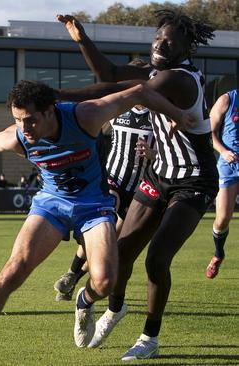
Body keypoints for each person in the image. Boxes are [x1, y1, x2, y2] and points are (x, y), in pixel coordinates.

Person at [0, 79, 191, 366]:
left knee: (104, 282)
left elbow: (139, 91)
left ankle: (84, 301)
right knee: (12, 271)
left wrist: (179, 115)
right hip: (51, 204)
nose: (24, 128)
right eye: (17, 120)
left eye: (30, 120)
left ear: (51, 110)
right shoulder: (19, 136)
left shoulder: (86, 116)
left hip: (94, 206)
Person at [58, 10, 217, 360]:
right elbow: (109, 73)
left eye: (171, 42)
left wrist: (56, 96)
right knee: (121, 252)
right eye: (158, 38)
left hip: (193, 180)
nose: (162, 45)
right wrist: (82, 39)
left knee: (157, 258)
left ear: (186, 49)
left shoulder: (180, 78)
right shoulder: (155, 71)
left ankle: (150, 338)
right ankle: (110, 308)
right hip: (158, 175)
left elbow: (122, 91)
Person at [53, 102, 156, 301]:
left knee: (109, 245)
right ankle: (71, 274)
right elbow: (92, 130)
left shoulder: (157, 117)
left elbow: (169, 153)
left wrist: (152, 154)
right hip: (112, 180)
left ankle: (74, 275)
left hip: (138, 190)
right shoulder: (118, 111)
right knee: (102, 227)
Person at [206, 89, 239, 279]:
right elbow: (209, 133)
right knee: (222, 219)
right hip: (229, 167)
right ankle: (218, 253)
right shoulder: (227, 99)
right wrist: (224, 152)